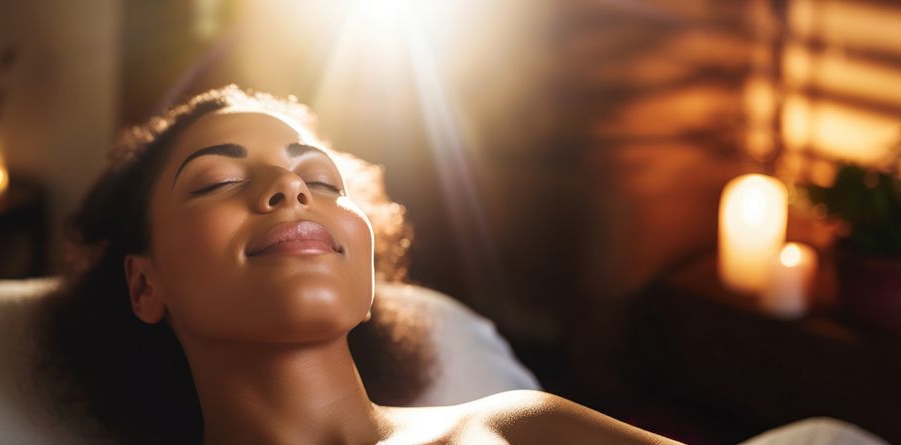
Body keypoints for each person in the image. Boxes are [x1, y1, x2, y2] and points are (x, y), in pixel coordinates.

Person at [37, 85, 681, 445]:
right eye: (216, 182)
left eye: (322, 181)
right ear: (145, 285)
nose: (290, 191)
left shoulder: (520, 429)